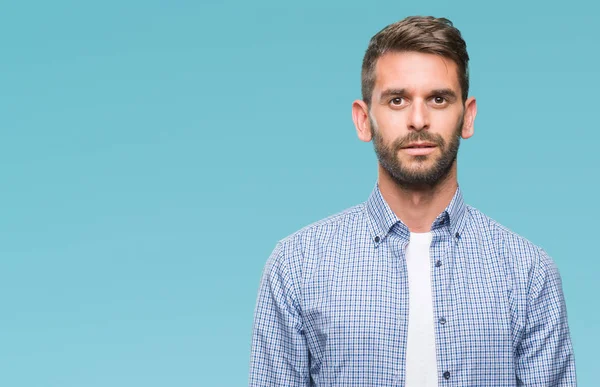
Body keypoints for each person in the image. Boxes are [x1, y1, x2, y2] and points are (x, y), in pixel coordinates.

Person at [249, 15, 576, 386]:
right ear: (363, 120)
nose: (418, 119)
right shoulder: (296, 267)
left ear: (467, 118)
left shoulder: (529, 274)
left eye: (438, 99)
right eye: (397, 100)